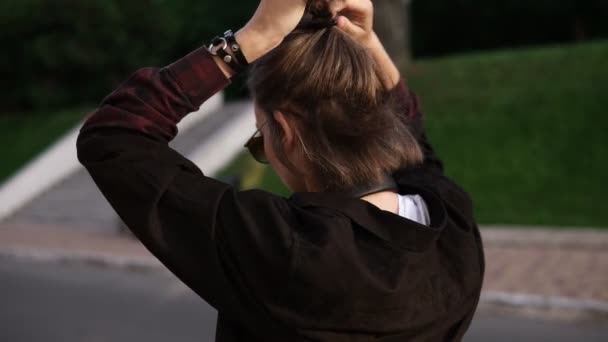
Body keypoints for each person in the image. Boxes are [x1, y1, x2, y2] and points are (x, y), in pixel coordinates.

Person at [77, 0, 485, 340]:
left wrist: (250, 39)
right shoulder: (453, 233)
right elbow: (416, 145)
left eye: (261, 139)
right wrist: (369, 46)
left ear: (286, 131)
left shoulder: (283, 248)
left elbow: (114, 137)